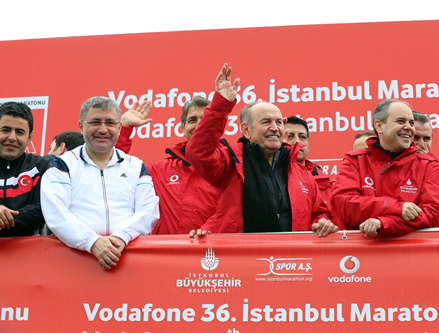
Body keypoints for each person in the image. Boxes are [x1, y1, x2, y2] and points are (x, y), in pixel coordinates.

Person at [186, 63, 337, 237]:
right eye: (266, 122)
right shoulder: (229, 162)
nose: (275, 128)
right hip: (240, 260)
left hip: (290, 262)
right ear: (246, 130)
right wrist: (221, 105)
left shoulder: (302, 173)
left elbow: (318, 213)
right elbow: (198, 153)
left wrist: (321, 222)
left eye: (279, 122)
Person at [41, 96, 159, 270]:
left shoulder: (136, 165)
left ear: (119, 127)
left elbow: (149, 210)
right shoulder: (62, 164)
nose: (103, 129)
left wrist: (121, 237)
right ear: (81, 126)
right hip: (75, 262)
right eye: (96, 122)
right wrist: (92, 242)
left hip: (128, 261)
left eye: (110, 123)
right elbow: (55, 212)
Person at [331, 99, 439, 236]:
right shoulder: (355, 160)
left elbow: (434, 214)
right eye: (400, 121)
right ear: (379, 126)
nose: (409, 127)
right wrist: (396, 208)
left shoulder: (428, 164)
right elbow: (343, 206)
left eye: (411, 123)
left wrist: (385, 223)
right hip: (364, 253)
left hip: (413, 254)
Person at [116, 97, 219, 234]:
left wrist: (209, 230)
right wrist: (124, 129)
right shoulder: (159, 170)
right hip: (163, 253)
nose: (199, 125)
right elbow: (114, 170)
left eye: (205, 119)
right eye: (192, 120)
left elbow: (234, 209)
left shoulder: (230, 167)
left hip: (209, 253)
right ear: (183, 129)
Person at [0, 102, 50, 236]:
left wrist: (5, 220)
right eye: (5, 130)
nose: (12, 137)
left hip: (28, 254)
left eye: (19, 132)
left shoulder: (41, 166)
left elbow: (43, 208)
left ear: (30, 138)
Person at [283, 116, 334, 210]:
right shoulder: (270, 176)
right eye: (290, 136)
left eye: (302, 137)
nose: (297, 142)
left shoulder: (330, 186)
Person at [412, 111, 439, 181]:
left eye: (426, 139)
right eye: (415, 137)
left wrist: (430, 163)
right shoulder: (393, 166)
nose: (422, 144)